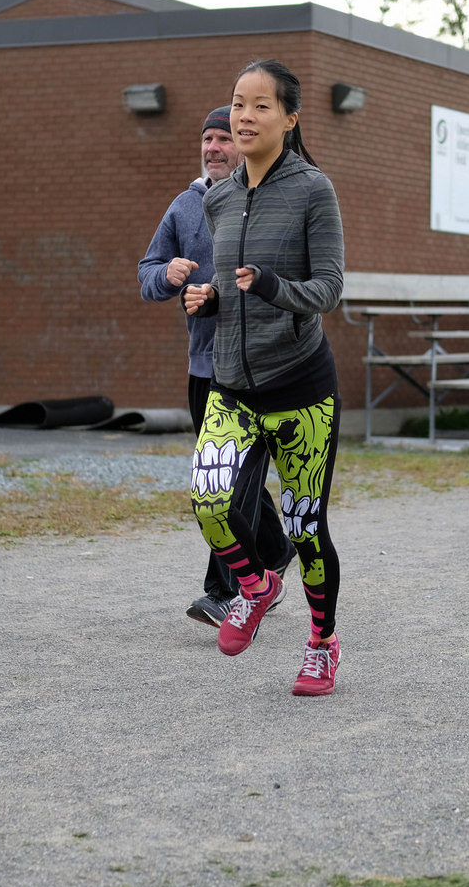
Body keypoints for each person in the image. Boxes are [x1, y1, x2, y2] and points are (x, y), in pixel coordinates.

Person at [182, 60, 346, 696]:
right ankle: (255, 586)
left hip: (301, 385)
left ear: (289, 118)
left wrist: (274, 287)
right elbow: (231, 284)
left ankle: (322, 645)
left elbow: (329, 289)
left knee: (306, 528)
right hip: (233, 382)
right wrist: (212, 298)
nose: (243, 118)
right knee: (209, 498)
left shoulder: (313, 190)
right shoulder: (218, 198)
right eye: (237, 105)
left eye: (259, 107)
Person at [137, 106, 297, 629]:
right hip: (205, 366)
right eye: (207, 138)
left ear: (244, 145)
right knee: (234, 477)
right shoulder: (185, 207)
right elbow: (146, 273)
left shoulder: (272, 200)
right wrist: (168, 273)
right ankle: (274, 557)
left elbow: (295, 275)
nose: (213, 147)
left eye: (223, 138)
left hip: (260, 366)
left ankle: (225, 589)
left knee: (224, 481)